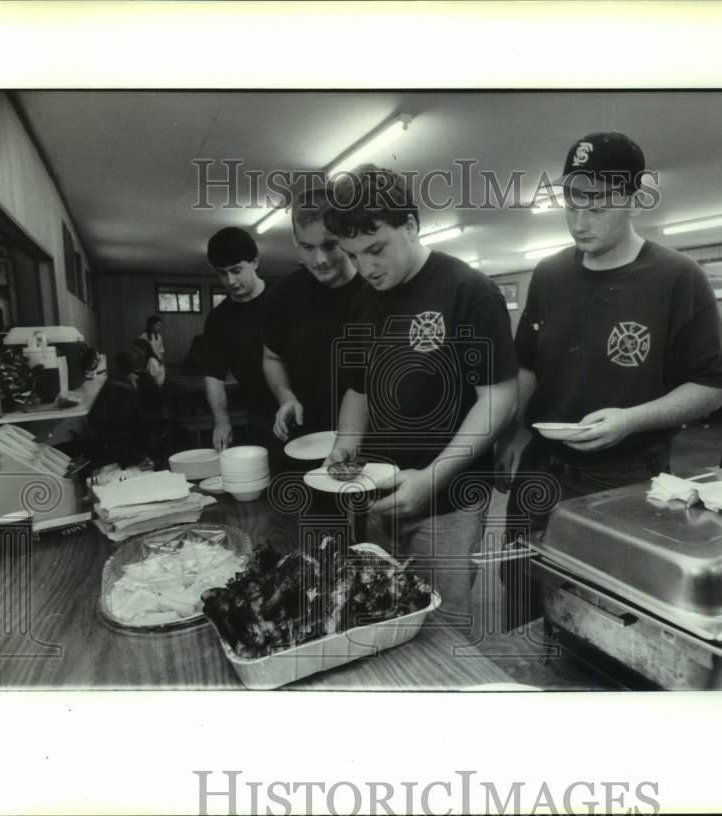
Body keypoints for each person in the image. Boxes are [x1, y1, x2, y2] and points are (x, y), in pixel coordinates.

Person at [499, 133, 722, 625]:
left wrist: (631, 418)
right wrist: (509, 436)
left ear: (633, 198)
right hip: (540, 469)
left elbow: (712, 386)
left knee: (601, 607)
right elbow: (527, 367)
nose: (579, 224)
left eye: (598, 207)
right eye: (572, 205)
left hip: (623, 476)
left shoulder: (678, 277)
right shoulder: (548, 275)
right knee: (520, 589)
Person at [322, 166, 518, 630]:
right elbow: (359, 386)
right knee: (379, 612)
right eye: (353, 255)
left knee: (439, 623)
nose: (365, 268)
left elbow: (498, 399)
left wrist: (430, 478)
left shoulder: (469, 292)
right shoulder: (362, 300)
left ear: (410, 225)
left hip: (447, 499)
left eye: (376, 249)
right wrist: (345, 449)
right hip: (377, 490)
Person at [263, 187, 364, 442]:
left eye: (330, 245)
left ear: (346, 236)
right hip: (306, 439)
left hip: (372, 439)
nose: (320, 259)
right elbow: (272, 357)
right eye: (307, 247)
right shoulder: (283, 293)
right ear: (296, 241)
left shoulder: (375, 289)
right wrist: (286, 396)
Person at [202, 226, 277, 451]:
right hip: (259, 415)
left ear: (255, 262)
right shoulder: (218, 319)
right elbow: (213, 376)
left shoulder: (284, 298)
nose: (230, 281)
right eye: (222, 273)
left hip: (305, 407)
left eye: (236, 270)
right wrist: (222, 420)